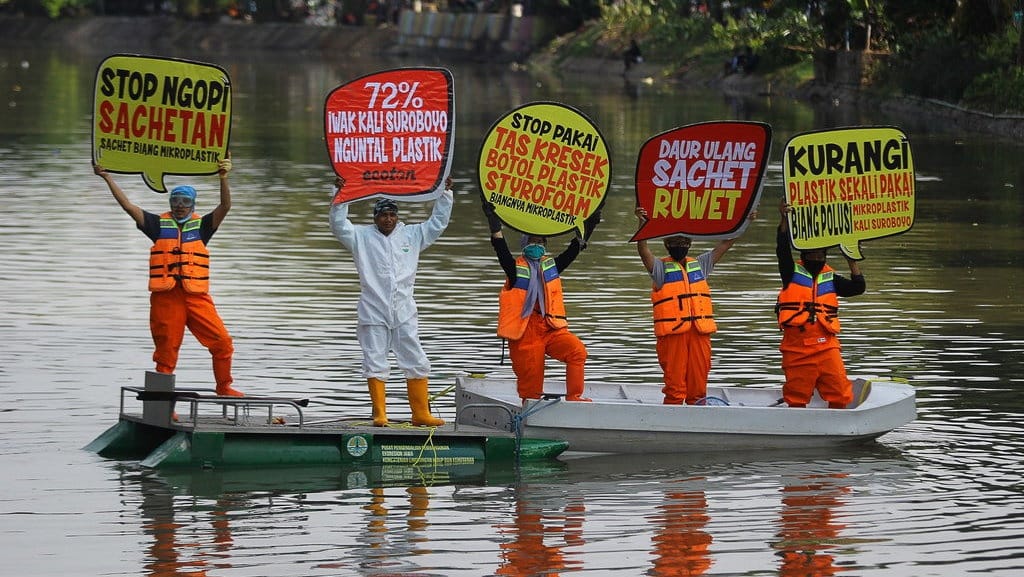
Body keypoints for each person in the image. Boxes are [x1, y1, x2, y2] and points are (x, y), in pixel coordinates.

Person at [93, 156, 243, 398]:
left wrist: (223, 178)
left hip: (196, 297)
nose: (180, 205)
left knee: (223, 342)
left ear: (193, 204)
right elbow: (128, 206)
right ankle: (161, 403)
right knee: (166, 351)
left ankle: (224, 387)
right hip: (166, 298)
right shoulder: (156, 224)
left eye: (185, 201)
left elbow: (225, 206)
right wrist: (107, 177)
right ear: (170, 202)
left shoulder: (203, 226)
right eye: (175, 200)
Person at [329, 176, 454, 427]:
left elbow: (438, 223)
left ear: (397, 216)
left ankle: (420, 414)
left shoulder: (413, 234)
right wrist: (339, 194)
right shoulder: (360, 237)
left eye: (392, 214)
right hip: (373, 309)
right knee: (374, 359)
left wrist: (445, 195)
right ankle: (380, 414)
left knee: (415, 358)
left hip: (404, 309)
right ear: (375, 217)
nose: (388, 218)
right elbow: (338, 225)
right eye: (383, 214)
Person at [480, 196, 601, 402]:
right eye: (533, 241)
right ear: (525, 244)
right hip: (525, 331)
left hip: (550, 327)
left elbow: (574, 250)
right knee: (531, 387)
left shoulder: (551, 266)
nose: (537, 245)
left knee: (577, 351)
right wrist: (494, 225)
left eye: (541, 242)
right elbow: (501, 250)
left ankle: (575, 397)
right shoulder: (515, 268)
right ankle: (529, 417)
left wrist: (588, 226)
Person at [634, 206, 743, 405]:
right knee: (675, 386)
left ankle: (697, 415)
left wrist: (745, 220)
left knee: (699, 385)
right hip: (673, 336)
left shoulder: (700, 265)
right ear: (667, 245)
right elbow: (643, 250)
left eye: (684, 242)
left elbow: (725, 244)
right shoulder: (660, 269)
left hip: (699, 334)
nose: (680, 245)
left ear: (690, 244)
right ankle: (672, 419)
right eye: (675, 242)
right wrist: (643, 225)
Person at [776, 200, 865, 408]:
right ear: (803, 256)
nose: (816, 258)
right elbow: (782, 249)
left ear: (825, 256)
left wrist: (851, 258)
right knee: (796, 398)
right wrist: (784, 219)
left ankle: (839, 425)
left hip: (827, 347)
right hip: (797, 348)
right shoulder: (790, 273)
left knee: (841, 395)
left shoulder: (831, 278)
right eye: (811, 255)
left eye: (820, 255)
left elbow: (858, 287)